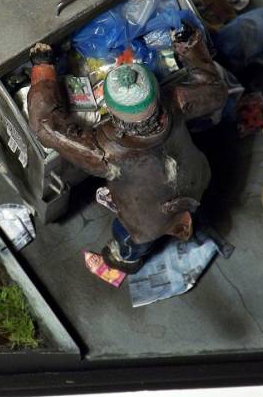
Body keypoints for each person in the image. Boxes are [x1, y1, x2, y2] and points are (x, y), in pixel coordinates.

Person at [27, 22, 228, 272]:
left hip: (146, 220)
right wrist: (190, 44)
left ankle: (127, 257)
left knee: (131, 236)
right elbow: (216, 90)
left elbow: (46, 125)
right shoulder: (177, 101)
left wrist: (43, 68)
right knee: (183, 209)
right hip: (194, 182)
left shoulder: (105, 153)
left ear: (110, 109)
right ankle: (179, 224)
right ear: (155, 90)